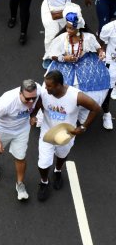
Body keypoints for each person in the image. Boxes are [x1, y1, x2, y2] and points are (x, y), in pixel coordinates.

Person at [32, 70, 101, 202]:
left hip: (66, 134)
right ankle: (44, 182)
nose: (45, 88)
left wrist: (83, 126)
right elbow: (36, 107)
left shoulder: (76, 96)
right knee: (43, 162)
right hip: (47, 132)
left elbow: (95, 108)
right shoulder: (44, 94)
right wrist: (33, 116)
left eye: (49, 86)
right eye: (46, 85)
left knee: (62, 155)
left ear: (59, 85)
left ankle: (57, 171)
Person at [45, 4, 111, 129]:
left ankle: (86, 113)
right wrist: (64, 58)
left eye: (71, 28)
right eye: (67, 27)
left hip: (85, 62)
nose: (68, 30)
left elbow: (98, 48)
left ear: (78, 28)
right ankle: (60, 112)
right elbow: (52, 55)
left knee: (100, 79)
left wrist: (101, 53)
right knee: (57, 84)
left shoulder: (88, 38)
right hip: (64, 63)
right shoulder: (61, 39)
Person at [0, 79, 42, 200]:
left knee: (20, 157)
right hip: (3, 129)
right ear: (20, 93)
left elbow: (39, 101)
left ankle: (20, 184)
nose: (31, 101)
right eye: (27, 99)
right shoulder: (7, 102)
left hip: (22, 129)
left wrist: (33, 115)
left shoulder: (37, 92)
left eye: (33, 98)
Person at [41, 0, 91, 69]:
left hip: (66, 9)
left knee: (70, 31)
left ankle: (64, 52)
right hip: (51, 9)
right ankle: (48, 57)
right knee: (51, 35)